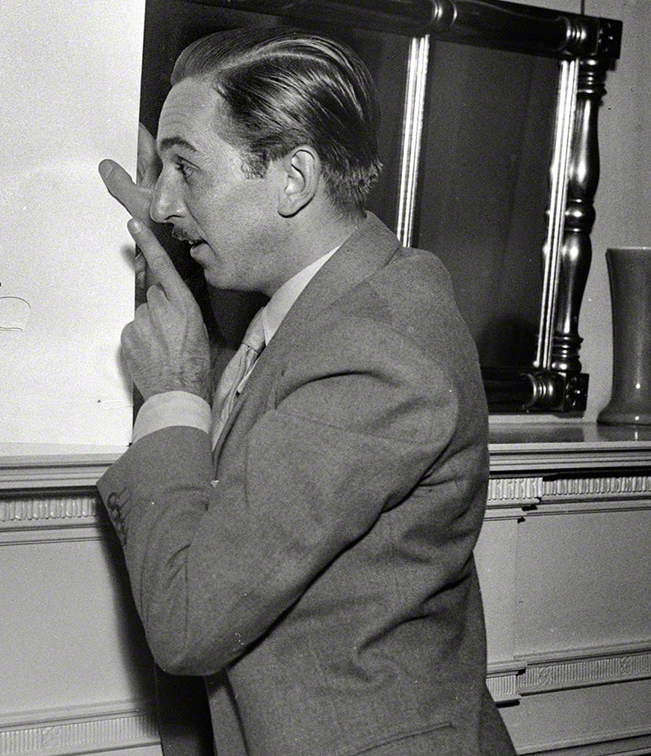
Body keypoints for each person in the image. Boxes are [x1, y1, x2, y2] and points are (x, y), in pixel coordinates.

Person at [96, 27, 517, 756]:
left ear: (294, 179)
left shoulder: (377, 353)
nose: (162, 201)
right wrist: (178, 244)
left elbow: (189, 619)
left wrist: (171, 396)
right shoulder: (338, 304)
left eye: (186, 168)